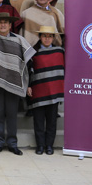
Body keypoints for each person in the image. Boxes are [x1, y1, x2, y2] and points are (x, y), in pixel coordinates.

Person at [0, 12, 36, 156]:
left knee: (12, 115)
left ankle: (13, 143)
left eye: (5, 22)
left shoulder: (19, 40)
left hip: (14, 82)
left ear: (10, 25)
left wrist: (29, 84)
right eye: (0, 22)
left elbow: (29, 62)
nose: (2, 25)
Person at [27, 26, 64, 156]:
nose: (47, 39)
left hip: (53, 92)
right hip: (38, 91)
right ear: (40, 37)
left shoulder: (60, 52)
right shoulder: (33, 53)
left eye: (49, 36)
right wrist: (28, 86)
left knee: (51, 121)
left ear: (53, 38)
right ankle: (40, 145)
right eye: (44, 36)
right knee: (38, 121)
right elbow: (27, 71)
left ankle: (49, 145)